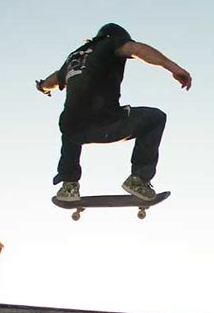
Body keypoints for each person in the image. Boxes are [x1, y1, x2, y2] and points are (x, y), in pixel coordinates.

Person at [36, 23, 192, 201]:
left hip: (75, 129)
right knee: (155, 118)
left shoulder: (74, 59)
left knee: (70, 123)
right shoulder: (111, 43)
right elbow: (137, 49)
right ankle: (139, 180)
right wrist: (174, 68)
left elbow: (54, 79)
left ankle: (69, 186)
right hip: (105, 122)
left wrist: (42, 87)